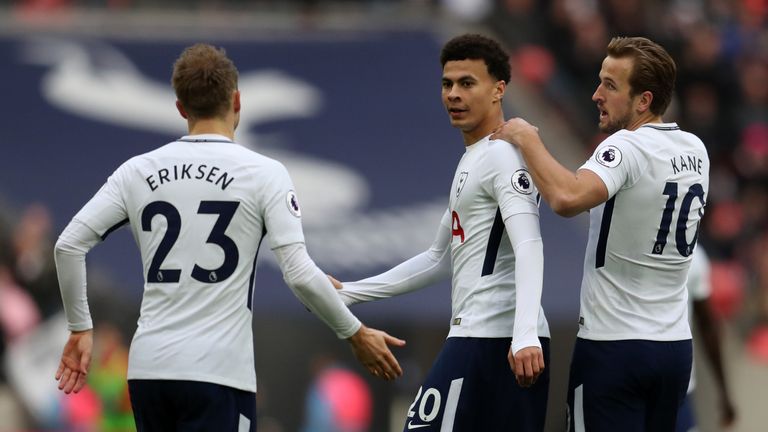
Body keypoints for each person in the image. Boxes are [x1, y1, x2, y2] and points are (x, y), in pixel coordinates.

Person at [53, 43, 404, 432]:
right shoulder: (263, 173)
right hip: (217, 372)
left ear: (181, 108)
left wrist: (80, 327)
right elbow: (300, 274)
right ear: (237, 100)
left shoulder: (136, 171)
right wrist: (354, 332)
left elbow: (68, 245)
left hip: (149, 372)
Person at [333, 33, 550, 431]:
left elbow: (530, 245)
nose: (453, 94)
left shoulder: (501, 156)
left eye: (467, 83)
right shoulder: (475, 157)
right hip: (484, 335)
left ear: (499, 89)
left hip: (497, 339)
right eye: (447, 84)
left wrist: (524, 336)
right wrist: (348, 293)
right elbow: (438, 257)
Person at [492, 36, 710, 431]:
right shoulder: (696, 149)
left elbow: (566, 197)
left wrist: (527, 137)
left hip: (614, 348)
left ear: (643, 101)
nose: (596, 94)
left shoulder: (625, 147)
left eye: (610, 85)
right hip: (674, 350)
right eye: (599, 80)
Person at [676, 246, 736, 432]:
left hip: (676, 389)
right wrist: (724, 391)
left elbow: (708, 325)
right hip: (673, 381)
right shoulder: (691, 251)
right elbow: (708, 325)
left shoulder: (694, 254)